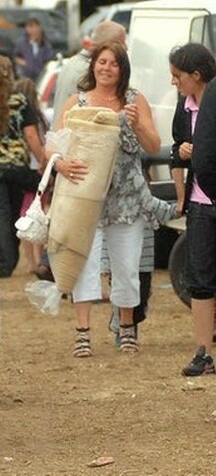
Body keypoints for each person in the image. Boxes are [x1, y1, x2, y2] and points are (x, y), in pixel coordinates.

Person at [55, 42, 160, 357]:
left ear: (122, 69)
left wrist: (137, 123)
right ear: (93, 66)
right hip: (86, 198)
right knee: (85, 265)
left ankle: (126, 327)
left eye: (113, 63)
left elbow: (153, 145)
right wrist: (60, 163)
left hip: (126, 199)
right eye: (101, 62)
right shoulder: (78, 101)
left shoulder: (134, 100)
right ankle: (82, 332)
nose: (106, 68)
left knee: (126, 267)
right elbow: (55, 142)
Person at [169, 43, 216, 376]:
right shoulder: (183, 109)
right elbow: (175, 148)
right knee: (200, 279)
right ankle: (203, 352)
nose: (175, 82)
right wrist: (183, 151)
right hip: (200, 201)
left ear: (196, 75)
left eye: (178, 76)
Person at [0, 56, 46, 279]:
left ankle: (4, 263)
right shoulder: (20, 100)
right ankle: (10, 258)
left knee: (0, 214)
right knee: (14, 214)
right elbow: (31, 135)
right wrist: (43, 161)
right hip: (18, 166)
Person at [52, 21, 127, 128]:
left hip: (60, 135)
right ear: (109, 45)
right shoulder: (92, 71)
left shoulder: (72, 62)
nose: (126, 48)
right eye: (122, 43)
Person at [14, 77, 50, 277]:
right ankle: (37, 259)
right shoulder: (37, 117)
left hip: (25, 167)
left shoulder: (14, 115)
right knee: (35, 214)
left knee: (26, 214)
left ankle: (31, 261)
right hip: (37, 169)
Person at [13, 17, 54, 83]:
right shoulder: (22, 44)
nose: (32, 30)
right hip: (25, 77)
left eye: (34, 27)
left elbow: (49, 60)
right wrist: (25, 64)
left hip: (41, 78)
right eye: (29, 27)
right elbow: (16, 57)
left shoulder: (45, 44)